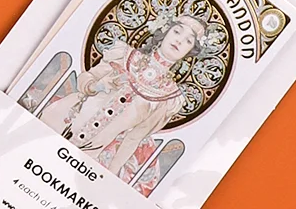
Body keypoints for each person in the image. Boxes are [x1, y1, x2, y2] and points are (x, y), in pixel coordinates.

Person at [41, 15, 208, 181]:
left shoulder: (168, 98)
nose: (179, 41)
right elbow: (86, 78)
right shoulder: (124, 55)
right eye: (177, 32)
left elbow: (134, 138)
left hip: (89, 152)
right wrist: (96, 86)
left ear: (191, 51)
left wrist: (108, 176)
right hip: (60, 120)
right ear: (165, 31)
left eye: (188, 41)